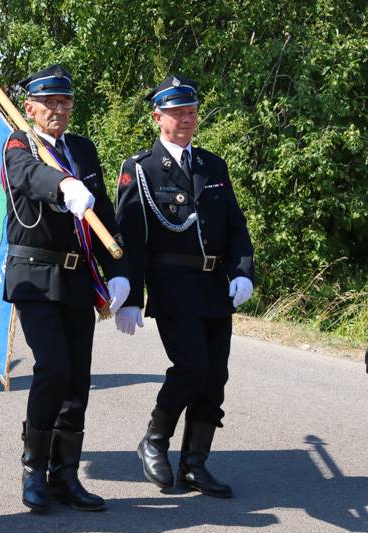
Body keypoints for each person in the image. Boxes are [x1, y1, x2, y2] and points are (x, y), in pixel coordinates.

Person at [114, 75, 254, 498]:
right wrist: (132, 297)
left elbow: (235, 226)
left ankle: (195, 463)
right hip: (173, 285)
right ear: (158, 117)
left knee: (215, 376)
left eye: (191, 112)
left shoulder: (213, 166)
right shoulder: (140, 169)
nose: (186, 119)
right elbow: (130, 237)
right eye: (177, 113)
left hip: (214, 286)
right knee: (192, 367)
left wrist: (243, 270)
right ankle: (154, 440)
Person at [3, 64, 131, 513]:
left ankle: (65, 474)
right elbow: (27, 177)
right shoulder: (21, 144)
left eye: (64, 102)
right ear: (30, 107)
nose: (57, 110)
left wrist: (121, 273)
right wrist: (62, 184)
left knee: (77, 378)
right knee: (53, 366)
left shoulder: (82, 149)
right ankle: (33, 468)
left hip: (78, 278)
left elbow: (105, 214)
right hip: (34, 276)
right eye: (48, 103)